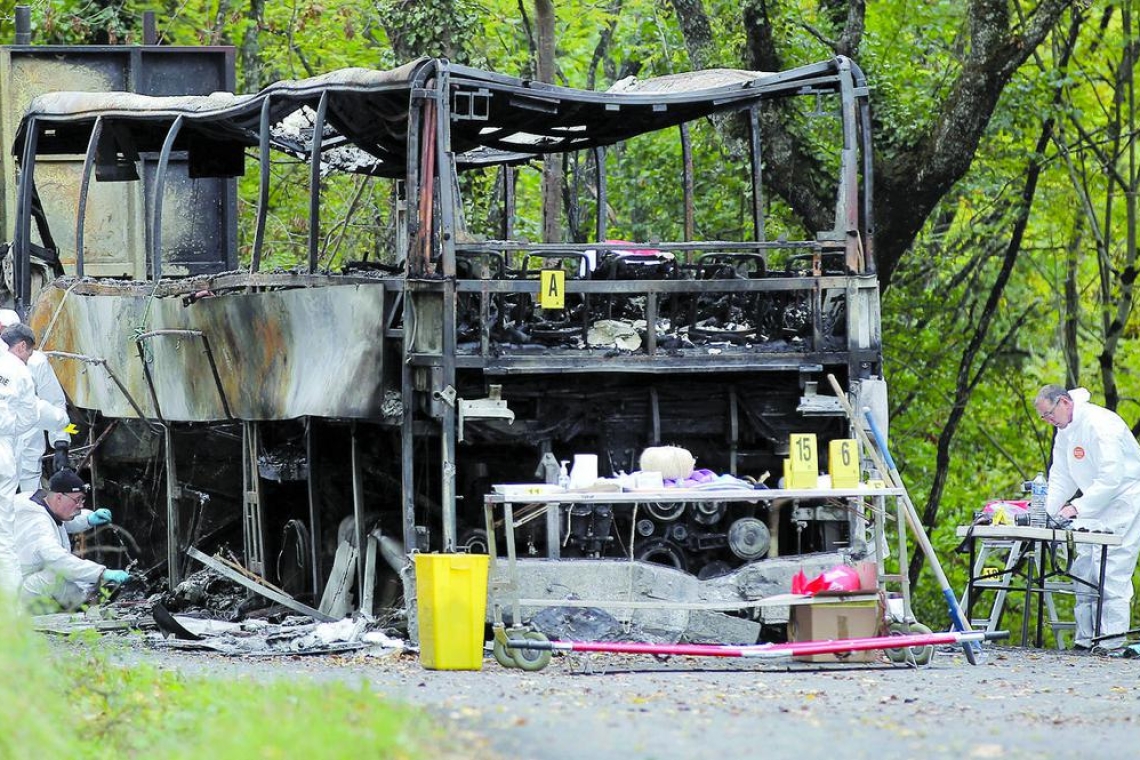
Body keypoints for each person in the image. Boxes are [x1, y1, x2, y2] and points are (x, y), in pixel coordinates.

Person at [1035, 384, 1140, 652]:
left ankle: (1110, 641)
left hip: (1124, 501)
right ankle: (1086, 639)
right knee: (1084, 568)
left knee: (1112, 570)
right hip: (1093, 504)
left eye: (1048, 415)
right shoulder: (1065, 432)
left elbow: (1112, 478)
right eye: (1043, 418)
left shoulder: (1100, 424)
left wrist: (1076, 508)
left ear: (1064, 403)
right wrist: (1047, 512)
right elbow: (1061, 476)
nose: (1048, 422)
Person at [13, 469, 126, 612]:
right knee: (54, 577)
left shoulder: (40, 500)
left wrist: (88, 519)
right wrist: (102, 573)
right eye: (77, 500)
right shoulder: (38, 523)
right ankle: (85, 605)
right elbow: (59, 560)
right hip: (13, 591)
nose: (80, 505)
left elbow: (60, 519)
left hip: (21, 576)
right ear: (59, 497)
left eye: (82, 500)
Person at [0, 315, 72, 490]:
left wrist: (61, 444)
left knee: (27, 504)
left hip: (28, 455)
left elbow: (55, 404)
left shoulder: (37, 362)